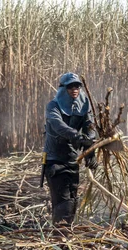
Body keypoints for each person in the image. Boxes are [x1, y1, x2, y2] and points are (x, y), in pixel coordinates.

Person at [43, 72, 98, 225]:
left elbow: (90, 129)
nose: (74, 89)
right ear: (63, 88)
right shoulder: (53, 106)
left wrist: (90, 154)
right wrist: (77, 136)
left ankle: (65, 230)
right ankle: (60, 233)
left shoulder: (84, 105)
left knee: (73, 197)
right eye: (70, 87)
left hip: (72, 159)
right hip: (55, 160)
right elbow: (58, 125)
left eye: (77, 86)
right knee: (63, 199)